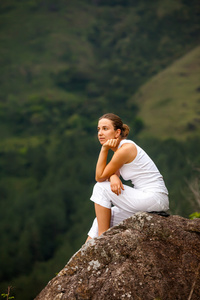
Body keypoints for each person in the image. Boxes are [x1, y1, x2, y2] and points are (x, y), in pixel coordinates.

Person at [86, 113, 169, 242]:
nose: (100, 133)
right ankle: (85, 257)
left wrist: (104, 149)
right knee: (101, 218)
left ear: (117, 132)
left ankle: (103, 238)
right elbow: (109, 174)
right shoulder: (120, 150)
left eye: (105, 128)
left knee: (100, 188)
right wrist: (113, 177)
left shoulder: (126, 149)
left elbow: (100, 177)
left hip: (153, 197)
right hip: (148, 199)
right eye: (99, 129)